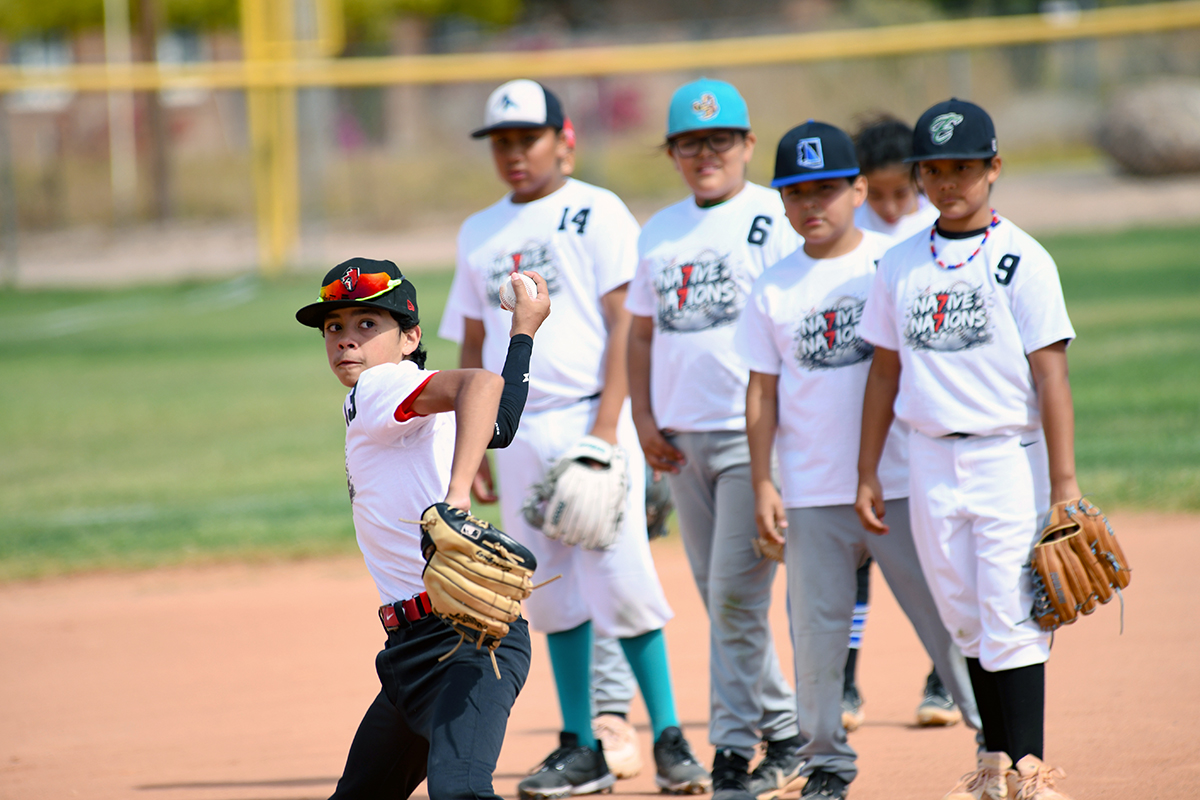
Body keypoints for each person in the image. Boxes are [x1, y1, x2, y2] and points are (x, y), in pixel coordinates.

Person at [445, 78, 710, 798]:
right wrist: (475, 451)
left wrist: (605, 428)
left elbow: (626, 321)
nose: (513, 154)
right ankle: (581, 745)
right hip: (520, 427)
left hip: (596, 415)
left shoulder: (597, 210)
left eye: (526, 138)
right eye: (501, 142)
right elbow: (473, 341)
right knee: (552, 589)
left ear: (564, 139)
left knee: (624, 581)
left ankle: (669, 739)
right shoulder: (478, 232)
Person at [734, 121, 979, 800]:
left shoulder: (895, 264)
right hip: (811, 492)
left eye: (828, 190)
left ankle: (997, 742)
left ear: (858, 190)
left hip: (901, 481)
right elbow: (762, 392)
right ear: (781, 200)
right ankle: (827, 763)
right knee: (815, 644)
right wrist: (763, 481)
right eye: (797, 192)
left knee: (949, 619)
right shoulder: (773, 288)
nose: (813, 204)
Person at [857, 98, 1080, 800]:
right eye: (935, 169)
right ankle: (994, 764)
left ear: (994, 168)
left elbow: (1052, 375)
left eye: (964, 167)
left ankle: (1029, 768)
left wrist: (1064, 484)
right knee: (963, 613)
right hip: (928, 457)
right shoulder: (899, 264)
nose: (949, 182)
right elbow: (885, 370)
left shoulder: (1023, 260)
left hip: (1007, 455)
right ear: (918, 175)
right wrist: (867, 468)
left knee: (1011, 612)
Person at [295, 256, 551, 800]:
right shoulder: (411, 396)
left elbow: (480, 383)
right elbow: (498, 422)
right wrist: (523, 331)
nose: (346, 341)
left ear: (410, 337)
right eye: (334, 328)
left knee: (459, 791)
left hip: (464, 645)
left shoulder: (378, 388)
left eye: (368, 325)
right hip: (415, 652)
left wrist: (456, 498)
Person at [625, 77, 804, 800]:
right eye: (690, 143)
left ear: (748, 145)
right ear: (671, 152)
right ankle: (788, 735)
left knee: (734, 599)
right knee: (722, 600)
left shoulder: (775, 218)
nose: (706, 153)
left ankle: (733, 751)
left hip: (753, 438)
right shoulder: (659, 231)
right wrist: (641, 417)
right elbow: (639, 333)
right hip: (679, 441)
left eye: (720, 140)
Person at [838, 114, 961, 733]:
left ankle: (944, 676)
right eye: (877, 193)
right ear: (858, 187)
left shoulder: (933, 232)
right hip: (859, 416)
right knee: (858, 554)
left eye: (900, 192)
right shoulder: (847, 231)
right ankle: (846, 682)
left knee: (933, 552)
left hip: (921, 415)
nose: (890, 206)